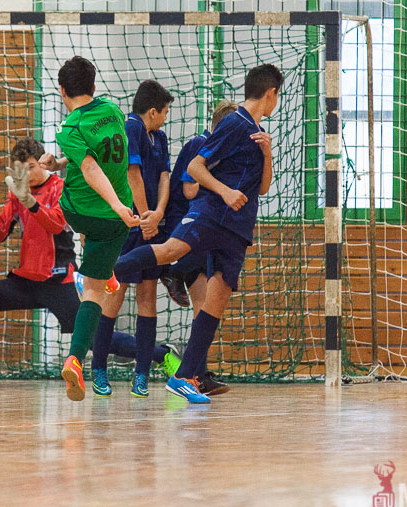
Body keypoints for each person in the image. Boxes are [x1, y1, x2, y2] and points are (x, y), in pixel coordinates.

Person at [0, 138, 177, 386]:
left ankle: (161, 354)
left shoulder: (60, 187)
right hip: (26, 279)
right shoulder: (18, 192)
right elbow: (0, 234)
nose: (27, 174)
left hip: (58, 280)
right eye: (20, 169)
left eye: (31, 167)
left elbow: (57, 224)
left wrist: (30, 201)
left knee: (94, 338)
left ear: (41, 163)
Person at [114, 64, 283, 403]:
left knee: (215, 304)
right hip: (211, 214)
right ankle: (109, 272)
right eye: (277, 95)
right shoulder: (234, 122)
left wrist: (267, 153)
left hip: (237, 229)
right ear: (271, 93)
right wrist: (225, 192)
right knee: (170, 251)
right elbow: (195, 167)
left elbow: (263, 188)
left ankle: (185, 377)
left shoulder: (258, 131)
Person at [38, 56, 140, 401]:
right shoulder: (112, 110)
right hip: (110, 219)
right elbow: (95, 165)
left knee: (97, 252)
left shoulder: (69, 128)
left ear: (62, 91)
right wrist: (118, 206)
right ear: (94, 86)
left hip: (74, 211)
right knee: (95, 292)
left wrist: (58, 163)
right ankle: (75, 359)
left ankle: (103, 270)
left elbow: (88, 163)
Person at [84, 80, 174, 398]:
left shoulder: (160, 137)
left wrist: (157, 214)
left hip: (149, 224)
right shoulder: (131, 127)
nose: (166, 118)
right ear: (153, 111)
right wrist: (145, 216)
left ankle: (142, 374)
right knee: (115, 295)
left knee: (147, 296)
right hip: (127, 226)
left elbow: (164, 176)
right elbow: (131, 174)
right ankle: (98, 369)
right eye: (165, 112)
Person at [158, 100, 238, 396]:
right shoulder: (200, 144)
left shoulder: (216, 149)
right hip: (187, 228)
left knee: (204, 307)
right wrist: (222, 189)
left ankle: (197, 375)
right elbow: (190, 190)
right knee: (203, 302)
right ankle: (172, 270)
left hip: (204, 231)